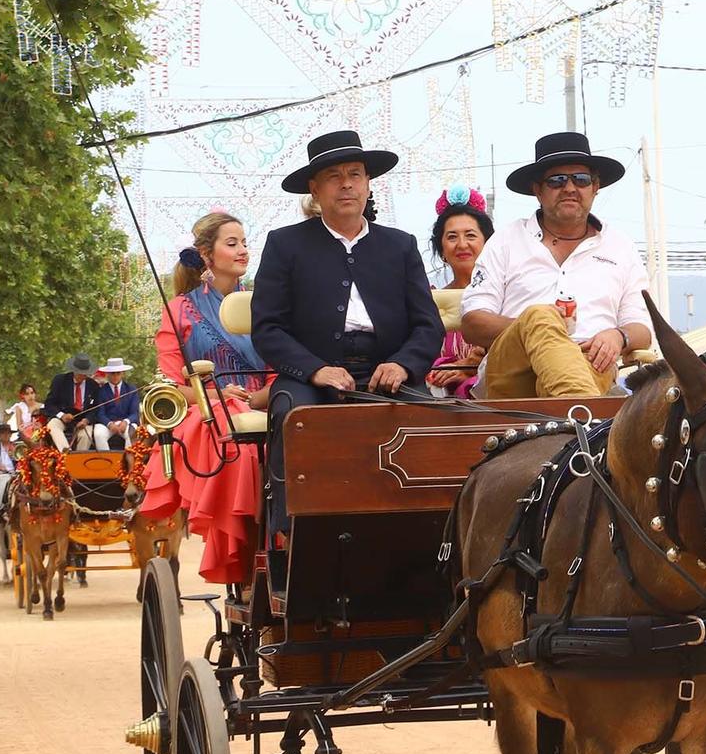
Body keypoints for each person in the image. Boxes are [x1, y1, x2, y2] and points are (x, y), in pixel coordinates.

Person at [251, 129, 445, 536]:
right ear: (315, 189)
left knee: (429, 417)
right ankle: (293, 533)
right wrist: (315, 370)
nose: (346, 184)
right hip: (312, 376)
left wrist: (403, 365)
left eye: (355, 174)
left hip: (385, 374)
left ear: (368, 183)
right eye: (334, 176)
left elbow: (428, 325)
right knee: (293, 416)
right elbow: (267, 328)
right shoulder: (285, 245)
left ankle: (430, 535)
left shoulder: (400, 246)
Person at [459, 131, 654, 398]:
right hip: (512, 369)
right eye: (557, 180)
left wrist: (619, 336)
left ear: (595, 188)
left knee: (570, 355)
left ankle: (574, 411)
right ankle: (586, 421)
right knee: (540, 316)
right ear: (537, 189)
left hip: (590, 363)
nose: (570, 188)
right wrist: (535, 329)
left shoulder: (621, 247)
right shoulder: (507, 239)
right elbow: (472, 322)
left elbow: (642, 328)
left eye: (581, 179)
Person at [136, 212, 272, 586]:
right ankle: (242, 559)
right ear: (206, 254)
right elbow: (169, 386)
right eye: (232, 243)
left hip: (265, 405)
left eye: (244, 242)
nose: (243, 250)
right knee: (241, 448)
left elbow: (283, 372)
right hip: (207, 414)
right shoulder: (179, 310)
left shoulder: (266, 305)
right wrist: (215, 393)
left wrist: (257, 397)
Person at [425, 186, 495, 399]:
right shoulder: (428, 298)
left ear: (487, 243)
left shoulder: (505, 295)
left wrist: (471, 368)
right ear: (442, 249)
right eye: (452, 237)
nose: (462, 244)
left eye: (471, 235)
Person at [43, 353, 109, 450]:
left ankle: (79, 461)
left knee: (86, 436)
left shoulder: (93, 386)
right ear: (74, 370)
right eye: (79, 373)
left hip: (83, 420)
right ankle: (66, 453)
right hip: (63, 418)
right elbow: (49, 404)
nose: (82, 376)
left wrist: (87, 420)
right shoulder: (60, 381)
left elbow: (95, 408)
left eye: (85, 373)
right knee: (52, 425)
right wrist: (62, 415)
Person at [97, 358, 139, 450]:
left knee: (132, 432)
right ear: (108, 374)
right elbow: (100, 413)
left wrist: (126, 421)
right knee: (98, 434)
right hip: (107, 424)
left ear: (122, 374)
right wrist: (109, 424)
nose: (115, 376)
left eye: (118, 373)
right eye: (112, 373)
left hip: (126, 423)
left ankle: (128, 461)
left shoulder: (131, 389)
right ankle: (107, 462)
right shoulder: (101, 391)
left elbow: (135, 413)